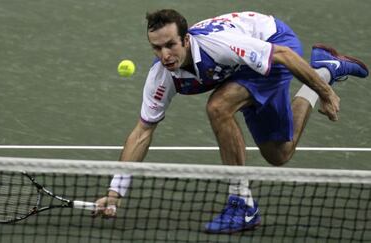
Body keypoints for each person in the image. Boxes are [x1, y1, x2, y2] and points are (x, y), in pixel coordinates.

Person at [93, 9, 368, 233]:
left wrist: (327, 95)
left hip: (276, 42)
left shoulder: (217, 46)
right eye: (157, 48)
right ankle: (324, 70)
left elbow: (283, 55)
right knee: (279, 153)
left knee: (219, 106)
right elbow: (143, 131)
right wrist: (115, 192)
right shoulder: (161, 78)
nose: (165, 55)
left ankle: (242, 204)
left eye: (170, 45)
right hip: (239, 70)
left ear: (186, 40)